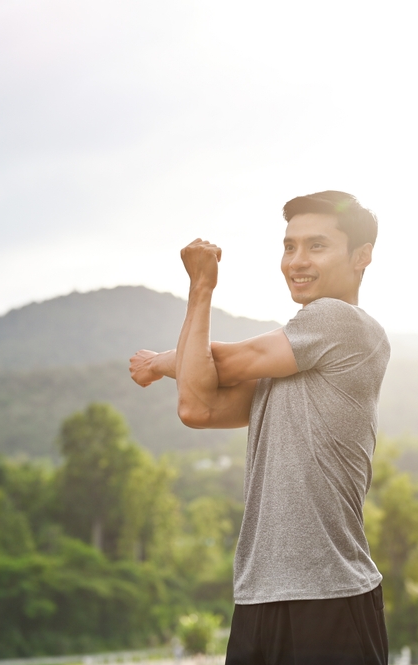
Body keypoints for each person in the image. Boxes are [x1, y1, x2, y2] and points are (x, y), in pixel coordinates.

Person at [129, 191, 389, 665]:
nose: (297, 261)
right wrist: (198, 293)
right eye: (289, 247)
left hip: (329, 598)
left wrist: (163, 356)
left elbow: (223, 363)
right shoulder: (288, 365)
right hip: (258, 595)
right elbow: (197, 405)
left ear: (361, 256)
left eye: (316, 246)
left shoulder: (340, 323)